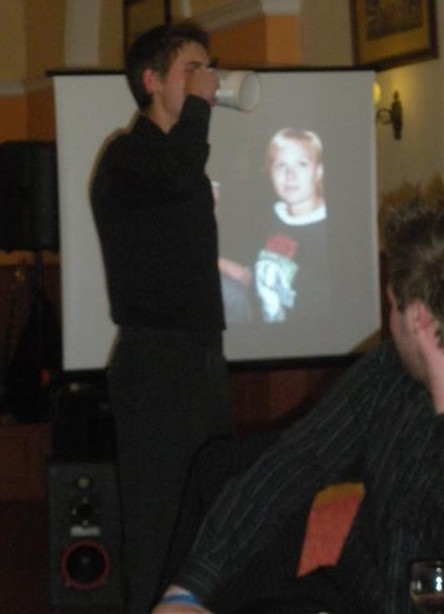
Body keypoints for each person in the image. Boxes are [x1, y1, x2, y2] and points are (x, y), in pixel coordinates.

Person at [154, 197, 444, 614]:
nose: (390, 323)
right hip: (347, 598)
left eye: (392, 306)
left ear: (416, 317)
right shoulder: (388, 372)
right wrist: (189, 590)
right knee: (223, 465)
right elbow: (297, 461)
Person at [90, 22, 233, 614]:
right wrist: (199, 109)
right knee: (157, 523)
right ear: (151, 81)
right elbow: (175, 173)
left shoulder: (176, 161)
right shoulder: (127, 157)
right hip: (155, 362)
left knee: (207, 510)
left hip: (199, 355)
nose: (205, 81)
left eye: (207, 69)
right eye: (190, 70)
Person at [254, 128, 328, 324]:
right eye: (280, 165)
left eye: (302, 164)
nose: (290, 175)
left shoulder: (334, 229)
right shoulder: (268, 217)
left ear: (319, 171)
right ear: (270, 172)